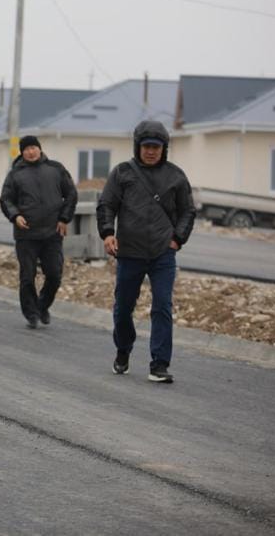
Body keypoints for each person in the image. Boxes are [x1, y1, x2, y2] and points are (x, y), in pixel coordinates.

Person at [97, 120, 196, 384]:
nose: (151, 151)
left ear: (164, 148)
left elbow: (188, 210)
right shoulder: (122, 173)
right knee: (123, 308)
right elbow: (106, 205)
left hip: (163, 253)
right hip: (130, 251)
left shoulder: (175, 175)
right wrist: (107, 233)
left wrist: (178, 238)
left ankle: (159, 364)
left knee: (162, 306)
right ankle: (123, 349)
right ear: (138, 147)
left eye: (157, 146)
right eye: (147, 146)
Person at [0, 136, 78, 328]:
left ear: (40, 149)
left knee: (54, 274)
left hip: (52, 233)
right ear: (22, 152)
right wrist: (15, 216)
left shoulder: (56, 169)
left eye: (33, 147)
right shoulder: (15, 174)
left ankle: (42, 305)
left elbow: (71, 194)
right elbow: (6, 199)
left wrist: (64, 218)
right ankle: (31, 313)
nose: (30, 152)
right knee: (27, 276)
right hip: (26, 235)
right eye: (26, 149)